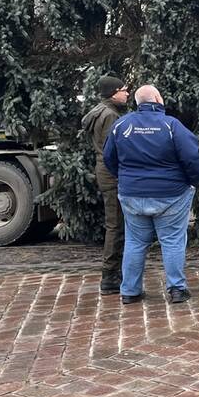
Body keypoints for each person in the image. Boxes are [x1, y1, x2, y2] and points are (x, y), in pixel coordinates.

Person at [103, 85, 199, 305]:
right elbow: (191, 157)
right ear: (157, 98)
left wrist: (126, 179)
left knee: (135, 242)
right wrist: (191, 182)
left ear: (138, 102)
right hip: (171, 194)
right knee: (173, 241)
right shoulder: (171, 125)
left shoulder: (121, 125)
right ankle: (177, 289)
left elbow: (108, 158)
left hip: (131, 194)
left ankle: (130, 291)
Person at [82, 75, 130, 295]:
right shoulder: (110, 115)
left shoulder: (99, 111)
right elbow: (114, 149)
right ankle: (110, 276)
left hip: (104, 170)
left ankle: (113, 273)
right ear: (113, 92)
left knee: (115, 224)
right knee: (116, 225)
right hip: (112, 173)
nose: (127, 94)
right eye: (124, 90)